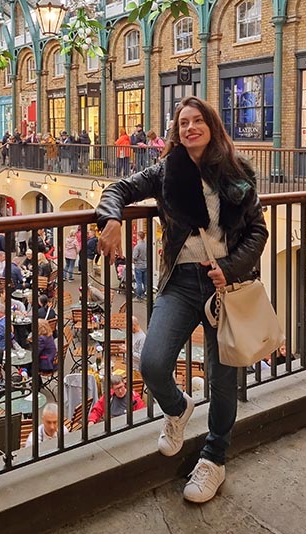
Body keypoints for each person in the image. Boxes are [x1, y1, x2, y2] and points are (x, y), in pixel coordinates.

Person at [96, 95, 268, 504]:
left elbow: (258, 231)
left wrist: (230, 268)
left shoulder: (236, 172)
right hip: (180, 281)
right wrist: (112, 218)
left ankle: (214, 456)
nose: (189, 128)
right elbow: (120, 188)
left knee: (222, 376)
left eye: (197, 121)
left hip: (224, 284)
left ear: (211, 125)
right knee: (153, 361)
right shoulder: (166, 171)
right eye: (182, 122)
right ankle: (176, 408)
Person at [132, 230, 147, 299]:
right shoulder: (147, 245)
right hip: (146, 265)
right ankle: (145, 295)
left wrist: (134, 261)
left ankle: (139, 296)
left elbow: (134, 257)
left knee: (139, 282)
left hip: (139, 266)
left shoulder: (137, 247)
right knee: (145, 281)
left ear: (138, 237)